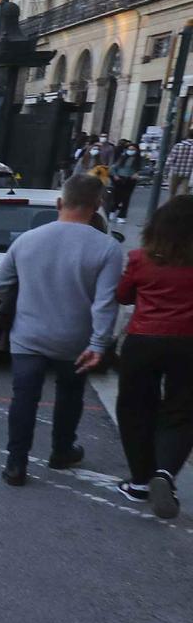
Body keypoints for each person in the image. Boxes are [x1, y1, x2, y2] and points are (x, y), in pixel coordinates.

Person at [0, 174, 125, 486]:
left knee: (24, 398)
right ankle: (61, 450)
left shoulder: (27, 240)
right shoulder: (107, 249)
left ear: (60, 202)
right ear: (96, 206)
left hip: (28, 337)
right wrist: (99, 343)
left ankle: (16, 464)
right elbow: (106, 303)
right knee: (70, 393)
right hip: (76, 340)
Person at [111, 192, 193, 515]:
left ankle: (140, 480)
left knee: (134, 408)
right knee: (183, 411)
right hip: (189, 343)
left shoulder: (140, 258)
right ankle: (165, 473)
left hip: (143, 339)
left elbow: (123, 295)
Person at [166, 124, 193, 198]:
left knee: (172, 193)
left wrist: (166, 170)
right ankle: (181, 208)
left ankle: (171, 207)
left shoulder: (178, 145)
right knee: (184, 195)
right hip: (188, 174)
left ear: (187, 136)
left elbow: (170, 159)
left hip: (175, 171)